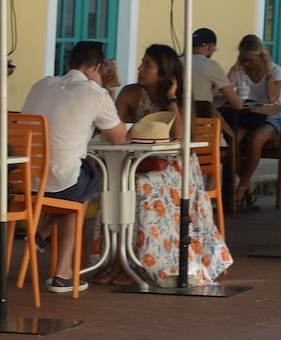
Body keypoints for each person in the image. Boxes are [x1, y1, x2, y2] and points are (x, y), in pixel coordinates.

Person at [94, 44, 231, 286]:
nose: (140, 69)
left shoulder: (180, 98)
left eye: (148, 65)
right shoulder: (131, 93)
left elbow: (180, 138)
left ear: (164, 73)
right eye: (142, 63)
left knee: (138, 186)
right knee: (114, 184)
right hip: (138, 161)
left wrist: (171, 100)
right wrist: (107, 93)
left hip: (175, 167)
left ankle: (136, 263)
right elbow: (113, 128)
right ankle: (118, 260)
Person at [21, 41, 126, 293]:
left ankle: (43, 231)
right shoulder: (95, 94)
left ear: (69, 64)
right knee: (85, 181)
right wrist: (102, 89)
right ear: (98, 67)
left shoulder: (41, 85)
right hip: (61, 182)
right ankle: (63, 272)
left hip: (25, 183)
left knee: (75, 180)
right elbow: (119, 138)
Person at [225, 34, 281, 209]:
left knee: (255, 139)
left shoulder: (275, 70)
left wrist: (267, 70)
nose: (246, 64)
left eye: (250, 60)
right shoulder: (240, 71)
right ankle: (249, 185)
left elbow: (273, 98)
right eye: (243, 59)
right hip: (247, 117)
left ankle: (242, 187)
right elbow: (224, 93)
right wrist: (234, 69)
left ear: (261, 56)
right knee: (232, 141)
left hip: (269, 117)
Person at [187, 27, 243, 117]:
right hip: (203, 125)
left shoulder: (175, 62)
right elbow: (237, 104)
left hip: (177, 121)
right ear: (210, 46)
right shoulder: (211, 65)